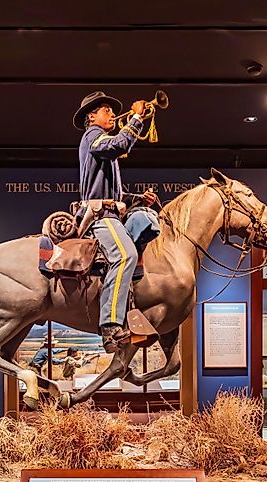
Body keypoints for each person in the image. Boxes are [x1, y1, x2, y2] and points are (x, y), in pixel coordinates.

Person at [73, 91, 161, 352]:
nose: (112, 114)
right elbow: (119, 145)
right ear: (92, 116)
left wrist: (138, 198)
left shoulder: (100, 142)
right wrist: (135, 117)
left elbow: (117, 195)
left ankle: (129, 309)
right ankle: (111, 327)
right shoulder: (92, 137)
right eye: (106, 110)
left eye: (113, 111)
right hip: (101, 217)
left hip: (112, 212)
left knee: (148, 224)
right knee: (125, 256)